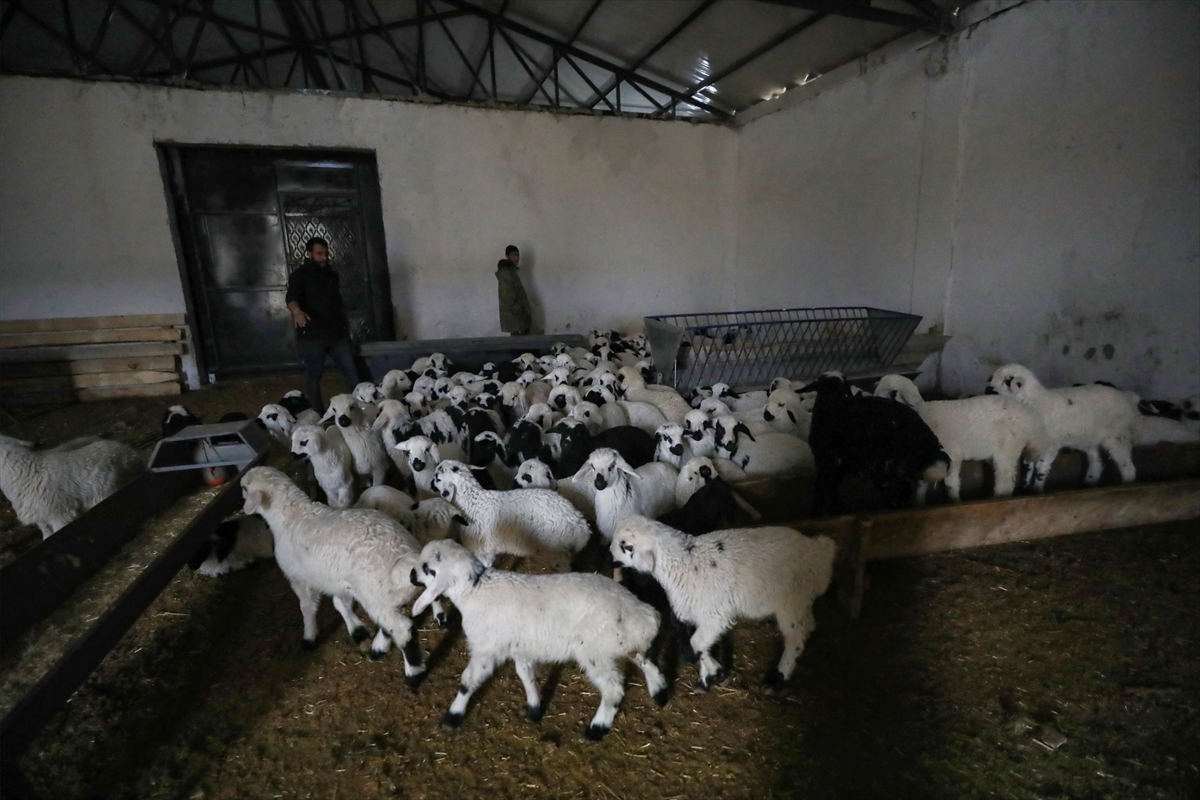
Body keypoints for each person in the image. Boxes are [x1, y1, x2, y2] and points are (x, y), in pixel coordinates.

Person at [285, 236, 365, 414]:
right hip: (313, 336)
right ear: (309, 254)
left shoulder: (332, 275)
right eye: (319, 254)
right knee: (314, 376)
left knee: (351, 371)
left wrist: (346, 330)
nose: (324, 258)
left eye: (326, 254)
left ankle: (361, 408)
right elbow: (291, 298)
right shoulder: (299, 276)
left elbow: (338, 304)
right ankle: (317, 415)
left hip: (336, 334)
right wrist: (296, 312)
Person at [496, 245, 533, 336]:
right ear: (507, 256)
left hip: (519, 319)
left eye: (517, 255)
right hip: (516, 319)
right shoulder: (506, 273)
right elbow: (507, 298)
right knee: (520, 343)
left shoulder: (511, 271)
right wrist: (521, 311)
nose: (516, 258)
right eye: (513, 255)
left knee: (523, 342)